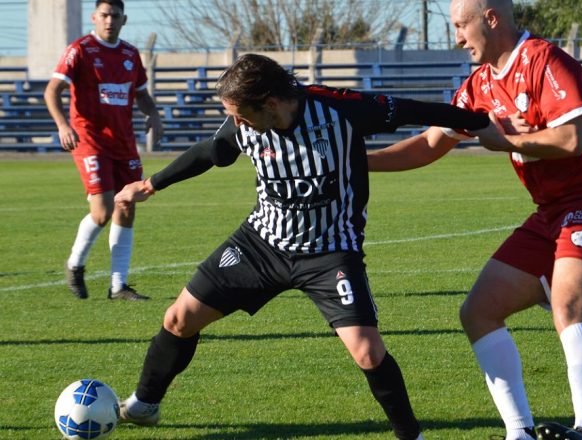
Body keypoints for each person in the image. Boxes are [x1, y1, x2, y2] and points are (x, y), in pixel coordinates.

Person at [113, 53, 489, 439]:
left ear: (270, 103)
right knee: (179, 318)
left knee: (367, 351)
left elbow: (413, 110)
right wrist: (151, 184)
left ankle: (412, 436)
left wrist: (483, 121)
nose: (236, 125)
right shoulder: (244, 125)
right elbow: (209, 152)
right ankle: (144, 404)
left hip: (330, 251)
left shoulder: (340, 110)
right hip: (262, 244)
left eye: (241, 116)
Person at [367, 1, 582, 439]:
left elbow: (573, 139)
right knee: (479, 312)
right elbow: (429, 143)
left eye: (461, 26)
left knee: (569, 305)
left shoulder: (546, 61)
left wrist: (506, 140)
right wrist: (357, 163)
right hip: (551, 213)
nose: (457, 38)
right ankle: (520, 433)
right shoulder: (479, 86)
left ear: (491, 18)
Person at [44, 0, 163, 301]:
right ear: (94, 17)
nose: (110, 20)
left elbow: (142, 94)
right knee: (102, 212)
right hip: (90, 139)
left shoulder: (130, 54)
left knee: (127, 205)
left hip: (123, 142)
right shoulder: (81, 50)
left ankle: (118, 286)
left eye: (115, 16)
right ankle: (75, 264)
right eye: (105, 15)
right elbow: (52, 91)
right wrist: (63, 125)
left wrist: (153, 114)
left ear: (124, 20)